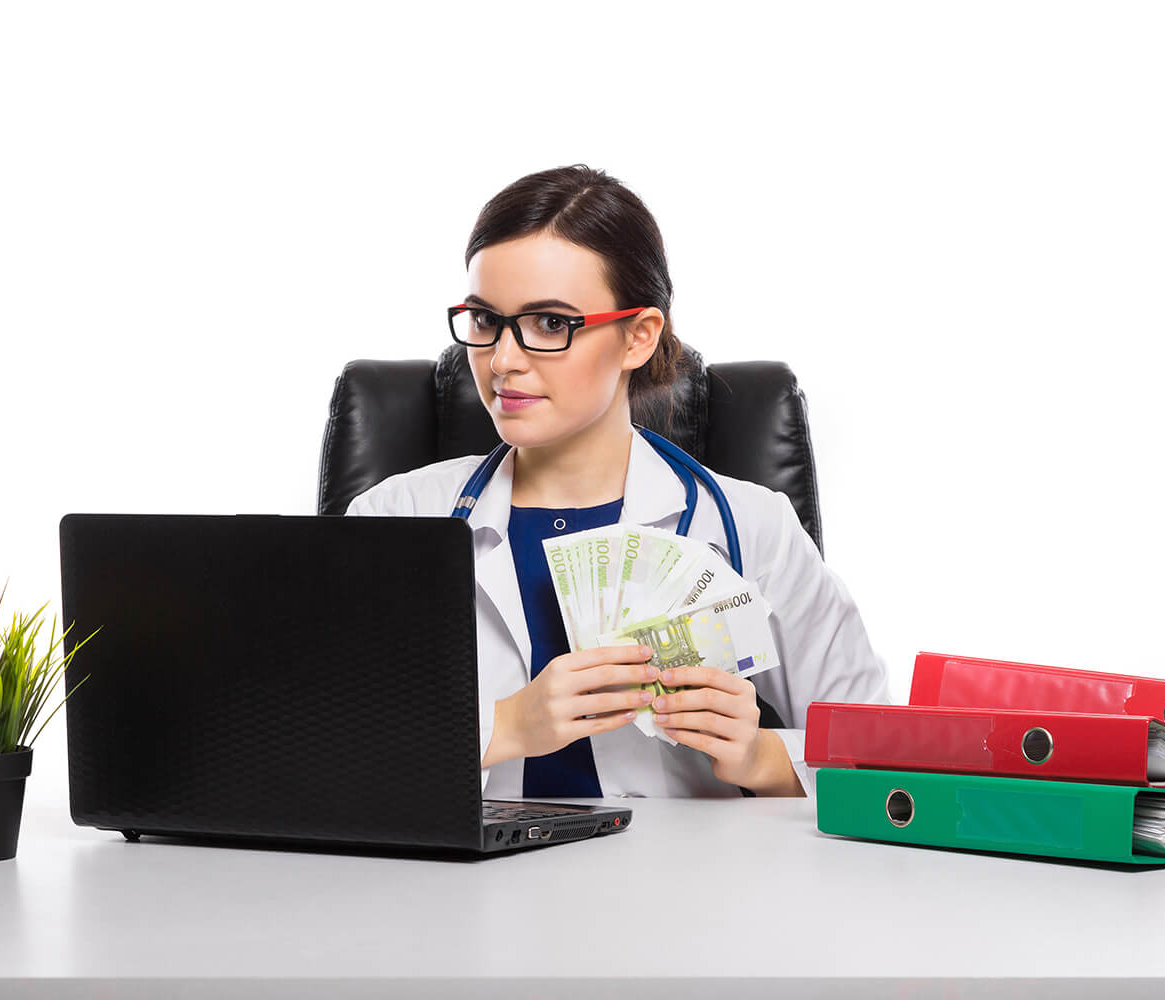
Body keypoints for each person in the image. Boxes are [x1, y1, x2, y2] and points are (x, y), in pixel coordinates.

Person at [345, 164, 890, 798]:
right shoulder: (397, 518)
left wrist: (763, 758)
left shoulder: (751, 526)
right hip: (461, 892)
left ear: (638, 337)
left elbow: (878, 764)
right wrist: (503, 726)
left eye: (551, 323)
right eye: (486, 319)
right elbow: (320, 753)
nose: (503, 360)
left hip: (683, 892)